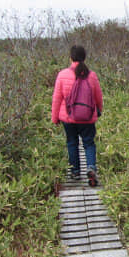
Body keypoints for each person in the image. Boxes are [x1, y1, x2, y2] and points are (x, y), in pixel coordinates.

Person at [51, 45, 104, 187]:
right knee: (88, 143)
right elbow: (98, 96)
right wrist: (99, 110)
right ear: (84, 58)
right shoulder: (91, 75)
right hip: (87, 117)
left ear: (71, 58)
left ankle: (75, 172)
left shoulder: (62, 75)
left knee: (72, 142)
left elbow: (57, 98)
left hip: (68, 118)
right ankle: (91, 167)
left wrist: (54, 117)